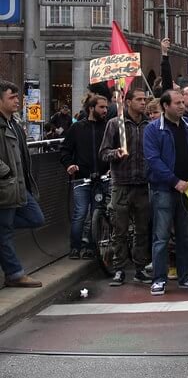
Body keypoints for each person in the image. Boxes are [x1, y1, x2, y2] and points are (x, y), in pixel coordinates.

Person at [144, 89, 188, 295]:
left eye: (182, 102)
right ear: (165, 106)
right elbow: (153, 160)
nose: (181, 106)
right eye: (177, 103)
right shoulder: (153, 129)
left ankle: (186, 275)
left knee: (186, 235)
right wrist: (173, 180)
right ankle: (159, 278)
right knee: (161, 236)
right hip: (164, 189)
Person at [98, 87, 153, 286]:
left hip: (142, 183)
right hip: (121, 184)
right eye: (139, 99)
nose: (143, 103)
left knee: (141, 229)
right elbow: (103, 152)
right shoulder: (115, 124)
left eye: (144, 99)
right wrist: (116, 154)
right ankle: (119, 268)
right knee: (119, 230)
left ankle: (139, 267)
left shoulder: (149, 125)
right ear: (128, 102)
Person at [0, 80, 45, 288]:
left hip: (19, 186)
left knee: (36, 218)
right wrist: (6, 172)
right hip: (6, 187)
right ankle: (15, 274)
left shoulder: (14, 124)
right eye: (12, 97)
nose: (17, 101)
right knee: (5, 232)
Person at [59, 92, 109, 259]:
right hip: (82, 177)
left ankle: (91, 247)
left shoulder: (108, 127)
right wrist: (69, 165)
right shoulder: (77, 128)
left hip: (102, 178)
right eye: (101, 107)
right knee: (80, 213)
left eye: (106, 107)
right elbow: (65, 150)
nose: (105, 110)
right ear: (91, 108)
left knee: (97, 213)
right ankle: (75, 246)